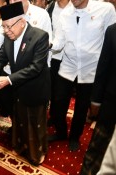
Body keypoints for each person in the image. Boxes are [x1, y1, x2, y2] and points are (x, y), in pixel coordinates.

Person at [0, 1, 50, 166]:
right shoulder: (9, 36)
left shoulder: (40, 37)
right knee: (19, 119)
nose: (6, 31)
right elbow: (1, 58)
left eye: (8, 27)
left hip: (35, 89)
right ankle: (20, 145)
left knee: (35, 124)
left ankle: (37, 153)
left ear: (22, 22)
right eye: (3, 27)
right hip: (18, 88)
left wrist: (8, 79)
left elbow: (35, 68)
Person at [49, 0, 116, 151]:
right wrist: (49, 44)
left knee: (81, 107)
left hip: (90, 70)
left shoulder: (105, 9)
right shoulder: (65, 13)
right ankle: (60, 132)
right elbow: (59, 41)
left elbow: (110, 40)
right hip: (68, 66)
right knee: (58, 102)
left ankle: (74, 137)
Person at [80, 22, 116, 175]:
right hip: (111, 102)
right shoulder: (113, 30)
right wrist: (95, 100)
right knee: (97, 147)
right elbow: (103, 67)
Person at [46, 0, 70, 127]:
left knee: (63, 93)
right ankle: (53, 115)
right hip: (52, 55)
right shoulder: (50, 8)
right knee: (53, 89)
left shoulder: (74, 7)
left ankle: (60, 118)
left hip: (68, 57)